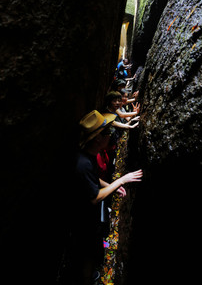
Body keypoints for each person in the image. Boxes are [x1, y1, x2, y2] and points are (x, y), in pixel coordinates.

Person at [69, 110, 143, 285]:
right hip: (83, 220)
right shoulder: (83, 164)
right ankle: (87, 279)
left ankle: (94, 267)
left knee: (96, 246)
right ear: (97, 139)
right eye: (107, 132)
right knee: (88, 252)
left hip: (90, 217)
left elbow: (94, 179)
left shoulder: (89, 155)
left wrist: (112, 185)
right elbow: (94, 198)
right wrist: (121, 181)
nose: (111, 135)